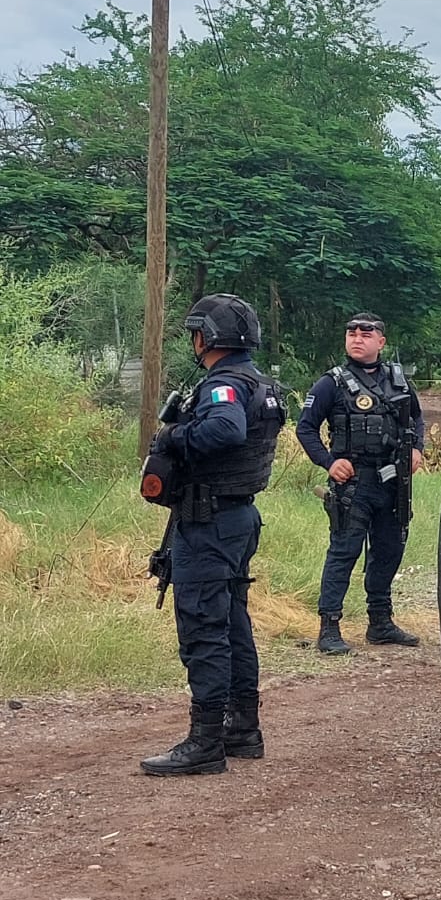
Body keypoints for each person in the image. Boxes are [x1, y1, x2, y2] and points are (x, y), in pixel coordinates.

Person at [141, 294, 286, 776]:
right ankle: (242, 728)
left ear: (207, 336)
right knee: (233, 624)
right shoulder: (260, 383)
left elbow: (224, 430)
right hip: (238, 518)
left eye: (195, 333)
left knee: (204, 627)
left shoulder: (223, 384)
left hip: (210, 522)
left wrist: (172, 438)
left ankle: (205, 743)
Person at [296, 312, 425, 655]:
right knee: (343, 553)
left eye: (366, 333)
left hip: (393, 483)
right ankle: (329, 628)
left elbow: (416, 419)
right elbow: (305, 428)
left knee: (388, 551)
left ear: (381, 341)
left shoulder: (398, 380)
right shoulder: (332, 383)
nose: (357, 337)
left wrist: (417, 448)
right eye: (351, 332)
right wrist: (328, 461)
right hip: (354, 484)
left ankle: (380, 623)